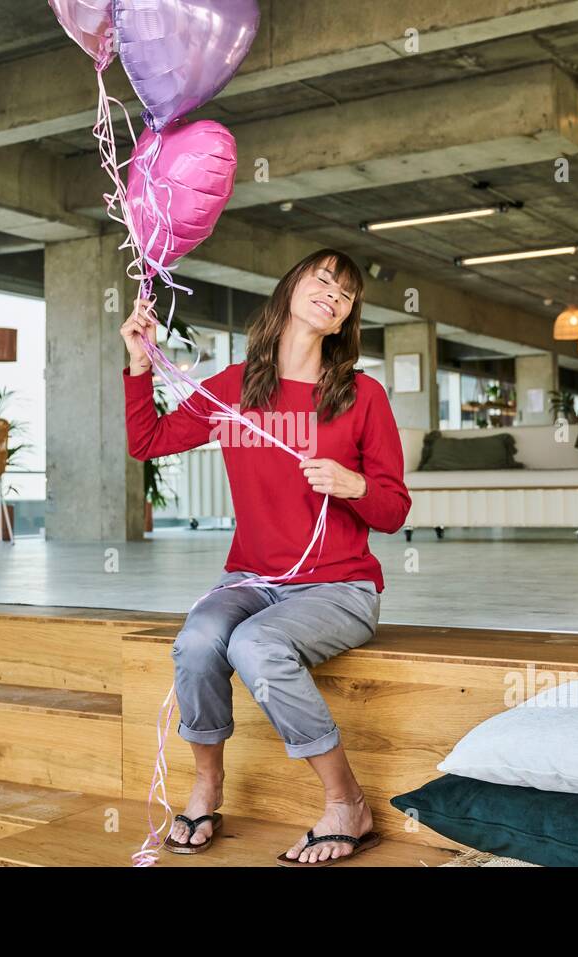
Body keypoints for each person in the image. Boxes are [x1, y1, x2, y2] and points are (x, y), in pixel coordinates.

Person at [120, 248, 411, 864]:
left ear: (343, 322)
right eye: (324, 280)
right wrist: (140, 365)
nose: (334, 295)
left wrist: (355, 485)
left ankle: (346, 803)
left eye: (346, 295)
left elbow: (393, 509)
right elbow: (146, 442)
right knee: (200, 639)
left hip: (340, 588)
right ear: (290, 289)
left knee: (255, 645)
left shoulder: (362, 396)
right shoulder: (234, 389)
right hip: (252, 579)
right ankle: (207, 785)